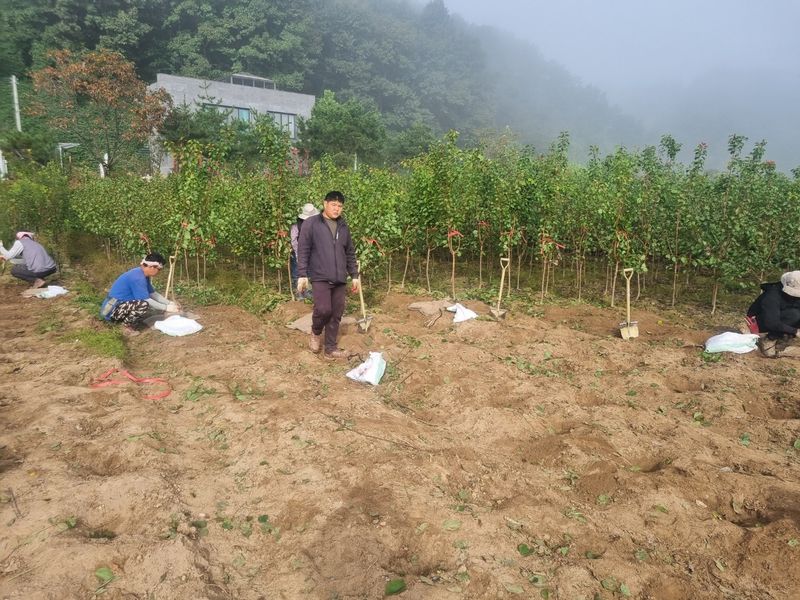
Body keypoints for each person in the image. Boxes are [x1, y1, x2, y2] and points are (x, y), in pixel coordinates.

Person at [296, 191, 360, 359]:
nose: (337, 209)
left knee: (336, 313)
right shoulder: (312, 223)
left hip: (339, 277)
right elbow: (303, 250)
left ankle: (330, 349)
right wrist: (302, 274)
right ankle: (316, 332)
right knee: (323, 309)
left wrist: (354, 275)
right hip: (320, 275)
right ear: (325, 204)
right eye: (333, 205)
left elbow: (350, 252)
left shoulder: (343, 226)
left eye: (340, 206)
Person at [100, 253, 180, 336]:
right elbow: (146, 300)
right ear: (152, 267)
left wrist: (169, 303)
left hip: (118, 307)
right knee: (143, 305)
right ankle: (125, 327)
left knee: (147, 306)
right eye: (159, 269)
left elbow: (152, 294)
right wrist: (166, 308)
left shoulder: (142, 274)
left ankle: (127, 320)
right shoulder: (137, 277)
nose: (159, 272)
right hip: (111, 311)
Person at [747, 270, 800, 358]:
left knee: (795, 314)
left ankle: (785, 337)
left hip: (780, 318)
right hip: (758, 323)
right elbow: (771, 322)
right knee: (794, 315)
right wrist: (795, 331)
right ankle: (769, 339)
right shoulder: (772, 296)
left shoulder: (792, 297)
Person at [290, 203, 319, 299]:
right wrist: (299, 257)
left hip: (311, 253)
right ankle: (299, 293)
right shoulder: (296, 227)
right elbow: (294, 243)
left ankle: (307, 291)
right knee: (297, 273)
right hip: (298, 253)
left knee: (309, 273)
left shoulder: (316, 226)